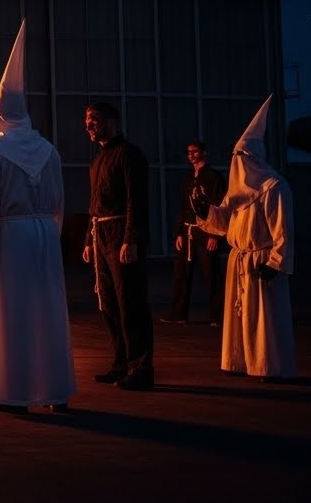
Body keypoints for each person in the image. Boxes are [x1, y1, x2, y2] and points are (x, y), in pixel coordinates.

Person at [0, 20, 75, 413]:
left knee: (13, 311)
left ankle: (13, 389)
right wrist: (50, 232)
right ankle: (53, 388)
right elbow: (59, 201)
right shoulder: (48, 150)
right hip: (43, 234)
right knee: (46, 309)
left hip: (11, 238)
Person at [194, 95, 297, 382]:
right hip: (239, 260)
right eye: (235, 157)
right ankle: (239, 361)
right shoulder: (237, 192)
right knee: (240, 317)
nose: (238, 163)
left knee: (264, 319)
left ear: (254, 158)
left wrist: (275, 263)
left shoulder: (274, 188)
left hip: (261, 260)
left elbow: (283, 230)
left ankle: (268, 366)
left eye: (243, 157)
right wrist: (205, 211)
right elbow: (224, 222)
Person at [82, 101, 154, 390]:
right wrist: (89, 240)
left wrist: (130, 239)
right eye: (87, 120)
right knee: (109, 303)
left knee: (130, 302)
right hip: (101, 235)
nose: (88, 125)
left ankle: (141, 368)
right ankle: (121, 364)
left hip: (121, 235)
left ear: (111, 121)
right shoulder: (98, 159)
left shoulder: (129, 155)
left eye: (94, 119)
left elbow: (137, 200)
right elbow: (94, 204)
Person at [161, 141, 227, 325]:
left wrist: (215, 235)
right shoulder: (188, 178)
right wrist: (180, 233)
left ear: (204, 153)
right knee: (181, 274)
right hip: (188, 232)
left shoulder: (213, 177)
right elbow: (183, 207)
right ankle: (179, 314)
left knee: (212, 275)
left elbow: (220, 206)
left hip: (206, 232)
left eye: (194, 152)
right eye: (188, 152)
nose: (190, 155)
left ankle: (218, 316)